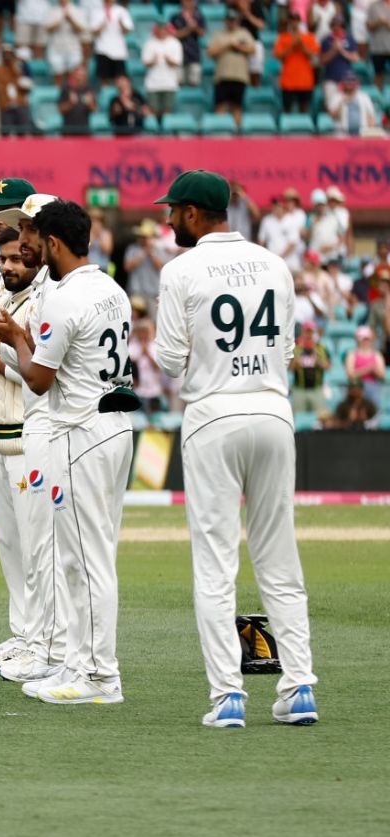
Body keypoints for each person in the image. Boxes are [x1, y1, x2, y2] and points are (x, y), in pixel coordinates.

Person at [153, 169, 319, 728]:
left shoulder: (180, 270)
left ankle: (228, 696)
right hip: (272, 411)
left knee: (215, 564)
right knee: (280, 557)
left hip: (213, 415)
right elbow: (287, 351)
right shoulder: (274, 263)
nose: (169, 219)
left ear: (193, 214)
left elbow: (169, 361)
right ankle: (299, 687)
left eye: (173, 210)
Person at [0, 198, 135, 705]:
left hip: (79, 431)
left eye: (33, 241)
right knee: (86, 558)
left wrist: (13, 336)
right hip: (114, 426)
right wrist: (14, 339)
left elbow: (38, 380)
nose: (27, 250)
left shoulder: (62, 298)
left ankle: (99, 675)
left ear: (54, 243)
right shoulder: (111, 288)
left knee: (85, 562)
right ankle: (76, 664)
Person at [208, 10, 255, 129]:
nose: (231, 22)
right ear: (225, 21)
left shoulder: (244, 33)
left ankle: (237, 132)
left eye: (233, 20)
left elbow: (252, 50)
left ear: (237, 21)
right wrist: (227, 46)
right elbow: (211, 52)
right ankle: (219, 131)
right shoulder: (218, 34)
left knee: (237, 106)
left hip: (239, 76)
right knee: (220, 105)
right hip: (222, 76)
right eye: (229, 20)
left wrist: (238, 47)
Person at [275, 12, 320, 114]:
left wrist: (301, 46)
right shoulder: (283, 37)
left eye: (296, 20)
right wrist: (292, 46)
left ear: (299, 22)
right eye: (292, 20)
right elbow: (279, 56)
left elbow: (313, 56)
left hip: (305, 80)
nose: (294, 23)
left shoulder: (309, 37)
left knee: (304, 108)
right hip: (288, 80)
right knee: (287, 109)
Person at [142, 23, 183, 118]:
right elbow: (145, 62)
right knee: (153, 110)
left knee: (167, 110)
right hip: (153, 84)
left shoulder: (175, 43)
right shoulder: (149, 43)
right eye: (159, 29)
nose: (161, 32)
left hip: (169, 83)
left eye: (163, 29)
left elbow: (177, 63)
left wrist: (169, 61)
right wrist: (153, 61)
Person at [291, 321, 330, 415]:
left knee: (321, 416)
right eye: (307, 332)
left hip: (316, 389)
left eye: (311, 332)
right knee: (298, 416)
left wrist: (319, 363)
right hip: (300, 389)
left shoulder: (321, 348)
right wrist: (296, 363)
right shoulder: (296, 348)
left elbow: (328, 365)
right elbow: (289, 367)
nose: (309, 335)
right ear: (303, 332)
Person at [90, 0, 133, 84]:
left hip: (118, 51)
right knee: (104, 79)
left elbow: (127, 30)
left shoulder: (122, 11)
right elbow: (93, 32)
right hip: (102, 49)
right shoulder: (96, 12)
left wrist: (121, 23)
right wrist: (102, 25)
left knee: (120, 78)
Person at [347, 325, 386, 398]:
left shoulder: (377, 355)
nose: (365, 342)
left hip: (373, 387)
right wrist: (369, 368)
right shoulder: (352, 355)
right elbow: (350, 375)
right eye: (363, 339)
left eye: (367, 339)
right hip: (356, 387)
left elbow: (382, 375)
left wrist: (374, 370)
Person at [58, 65, 95, 135]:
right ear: (74, 75)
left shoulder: (89, 89)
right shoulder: (66, 89)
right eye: (79, 75)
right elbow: (60, 109)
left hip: (84, 131)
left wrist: (90, 103)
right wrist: (70, 103)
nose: (81, 77)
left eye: (83, 75)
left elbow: (94, 109)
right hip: (68, 131)